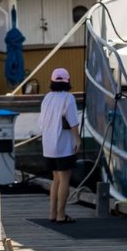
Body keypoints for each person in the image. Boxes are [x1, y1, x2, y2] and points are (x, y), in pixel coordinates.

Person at [39, 68, 80, 224]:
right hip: (63, 145)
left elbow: (41, 123)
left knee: (55, 179)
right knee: (64, 180)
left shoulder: (47, 97)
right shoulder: (68, 98)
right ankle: (61, 215)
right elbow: (73, 121)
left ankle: (52, 214)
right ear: (67, 81)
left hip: (48, 145)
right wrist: (78, 140)